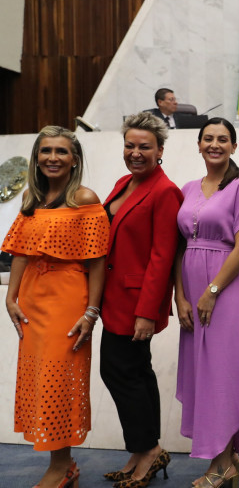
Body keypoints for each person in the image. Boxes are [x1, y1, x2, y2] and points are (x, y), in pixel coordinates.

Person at [3, 126, 109, 488]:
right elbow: (20, 252)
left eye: (61, 151)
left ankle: (61, 467)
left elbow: (97, 262)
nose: (52, 157)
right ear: (36, 157)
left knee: (59, 382)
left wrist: (91, 313)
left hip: (68, 299)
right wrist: (10, 298)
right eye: (45, 150)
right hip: (33, 300)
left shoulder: (85, 198)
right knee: (38, 380)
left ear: (74, 158)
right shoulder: (32, 200)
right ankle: (63, 464)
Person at [173, 117, 239, 488]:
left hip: (225, 289)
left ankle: (220, 464)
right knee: (202, 374)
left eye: (223, 139)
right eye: (208, 138)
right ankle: (229, 460)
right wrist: (180, 295)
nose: (215, 144)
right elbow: (178, 245)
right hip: (191, 286)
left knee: (221, 375)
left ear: (234, 146)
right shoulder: (188, 187)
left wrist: (212, 290)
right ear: (198, 145)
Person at [100, 112, 182, 487]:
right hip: (112, 298)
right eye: (130, 145)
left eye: (144, 147)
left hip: (137, 303)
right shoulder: (122, 183)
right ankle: (142, 450)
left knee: (124, 373)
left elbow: (163, 256)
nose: (135, 152)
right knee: (133, 373)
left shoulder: (165, 191)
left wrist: (148, 312)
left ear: (160, 150)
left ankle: (148, 451)